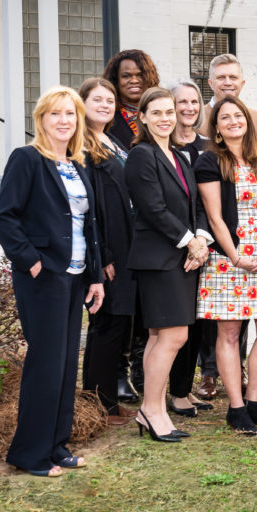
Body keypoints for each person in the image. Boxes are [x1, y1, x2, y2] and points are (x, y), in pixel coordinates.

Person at [0, 86, 105, 476]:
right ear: (41, 119)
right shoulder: (27, 159)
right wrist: (32, 263)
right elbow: (5, 217)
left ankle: (56, 445)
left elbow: (88, 226)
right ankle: (30, 453)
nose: (63, 121)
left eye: (71, 114)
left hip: (75, 277)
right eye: (55, 114)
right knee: (45, 363)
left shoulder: (76, 164)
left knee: (64, 365)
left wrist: (95, 276)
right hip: (43, 277)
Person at [195, 98, 257, 434]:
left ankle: (253, 403)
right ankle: (235, 408)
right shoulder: (210, 161)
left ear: (247, 120)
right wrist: (235, 256)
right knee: (230, 333)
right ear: (216, 126)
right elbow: (215, 216)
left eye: (238, 115)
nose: (233, 121)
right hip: (227, 258)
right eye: (225, 117)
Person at [125, 87, 211, 443]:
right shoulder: (141, 155)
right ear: (142, 117)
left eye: (169, 112)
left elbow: (195, 207)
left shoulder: (178, 155)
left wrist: (202, 239)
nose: (165, 118)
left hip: (181, 257)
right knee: (174, 335)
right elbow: (153, 208)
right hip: (158, 259)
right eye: (156, 113)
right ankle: (152, 410)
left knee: (161, 336)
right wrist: (188, 241)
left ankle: (153, 407)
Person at [102, 49, 161, 403]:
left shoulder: (154, 115)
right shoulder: (110, 123)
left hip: (153, 223)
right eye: (126, 75)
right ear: (115, 79)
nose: (133, 80)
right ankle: (120, 372)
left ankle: (145, 371)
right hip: (122, 224)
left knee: (148, 305)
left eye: (139, 74)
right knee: (123, 302)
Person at [78, 78, 136, 426]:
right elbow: (89, 207)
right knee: (106, 324)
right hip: (109, 249)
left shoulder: (111, 140)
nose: (105, 105)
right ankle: (96, 404)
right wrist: (104, 257)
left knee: (118, 324)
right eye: (97, 99)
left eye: (109, 100)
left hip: (128, 245)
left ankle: (108, 402)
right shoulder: (80, 147)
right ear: (81, 103)